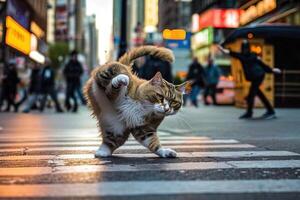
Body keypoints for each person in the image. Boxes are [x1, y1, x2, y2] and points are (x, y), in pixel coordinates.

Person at [218, 40, 281, 119]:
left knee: (251, 95)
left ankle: (251, 112)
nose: (245, 50)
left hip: (258, 76)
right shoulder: (246, 56)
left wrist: (272, 70)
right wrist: (223, 50)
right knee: (259, 94)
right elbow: (232, 53)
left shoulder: (252, 56)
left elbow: (262, 65)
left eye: (246, 48)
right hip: (256, 76)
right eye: (244, 48)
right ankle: (269, 111)